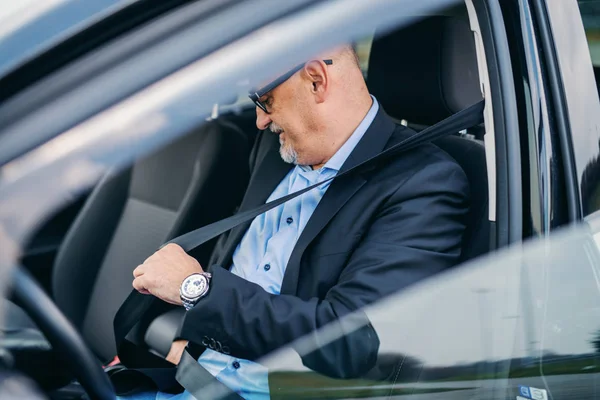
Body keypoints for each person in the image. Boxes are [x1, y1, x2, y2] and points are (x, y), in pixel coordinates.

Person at [118, 45, 469, 399]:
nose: (260, 121)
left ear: (316, 80)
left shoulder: (422, 183)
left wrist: (198, 290)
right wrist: (191, 341)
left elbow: (354, 343)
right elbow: (238, 259)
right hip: (192, 379)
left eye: (265, 100)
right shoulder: (276, 150)